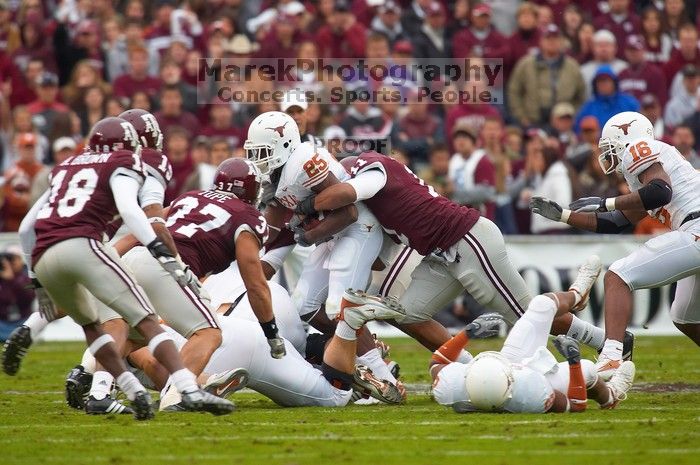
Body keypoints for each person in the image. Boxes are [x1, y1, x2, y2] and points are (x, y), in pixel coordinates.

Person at [15, 117, 233, 419]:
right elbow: (146, 217)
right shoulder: (136, 161)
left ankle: (59, 351)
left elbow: (28, 225)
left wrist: (34, 275)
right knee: (143, 319)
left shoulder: (72, 162)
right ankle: (184, 388)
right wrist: (164, 253)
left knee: (103, 320)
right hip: (93, 241)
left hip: (49, 247)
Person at [296, 149, 610, 356]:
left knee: (528, 315)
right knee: (406, 315)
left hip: (468, 240)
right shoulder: (371, 195)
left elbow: (347, 193)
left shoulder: (369, 172)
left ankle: (587, 314)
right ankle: (465, 367)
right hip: (440, 255)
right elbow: (378, 254)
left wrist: (306, 205)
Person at [531, 111, 700, 379]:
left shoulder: (637, 150)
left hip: (696, 227)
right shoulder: (650, 166)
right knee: (685, 316)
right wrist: (564, 215)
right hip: (693, 228)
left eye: (610, 147)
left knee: (618, 275)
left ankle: (611, 356)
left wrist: (604, 201)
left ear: (626, 139)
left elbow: (660, 191)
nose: (607, 155)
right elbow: (617, 221)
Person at [245, 111, 396, 385]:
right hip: (333, 235)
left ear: (285, 144)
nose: (258, 160)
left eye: (263, 152)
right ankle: (364, 351)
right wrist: (247, 247)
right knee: (305, 306)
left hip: (358, 229)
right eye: (254, 153)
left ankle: (384, 379)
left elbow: (348, 212)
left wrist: (310, 236)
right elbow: (274, 228)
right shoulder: (278, 175)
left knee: (341, 308)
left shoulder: (303, 162)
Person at [431, 257, 636, 413]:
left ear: (470, 373)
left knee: (541, 304)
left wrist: (467, 333)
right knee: (588, 371)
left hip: (507, 367)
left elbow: (437, 361)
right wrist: (573, 363)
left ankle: (577, 295)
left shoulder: (451, 386)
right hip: (528, 380)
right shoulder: (531, 394)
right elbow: (576, 404)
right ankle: (610, 396)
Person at [507, 23, 586, 127]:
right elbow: (514, 91)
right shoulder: (526, 64)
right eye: (548, 38)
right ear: (541, 41)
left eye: (555, 38)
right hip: (531, 123)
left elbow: (581, 95)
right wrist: (522, 117)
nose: (552, 42)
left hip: (563, 123)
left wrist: (572, 116)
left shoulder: (572, 66)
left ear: (562, 42)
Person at [575, 65, 640, 133]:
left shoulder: (629, 103)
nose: (603, 84)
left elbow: (639, 124)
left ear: (614, 83)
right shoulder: (588, 108)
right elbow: (579, 132)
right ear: (595, 85)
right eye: (600, 81)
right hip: (598, 143)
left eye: (606, 80)